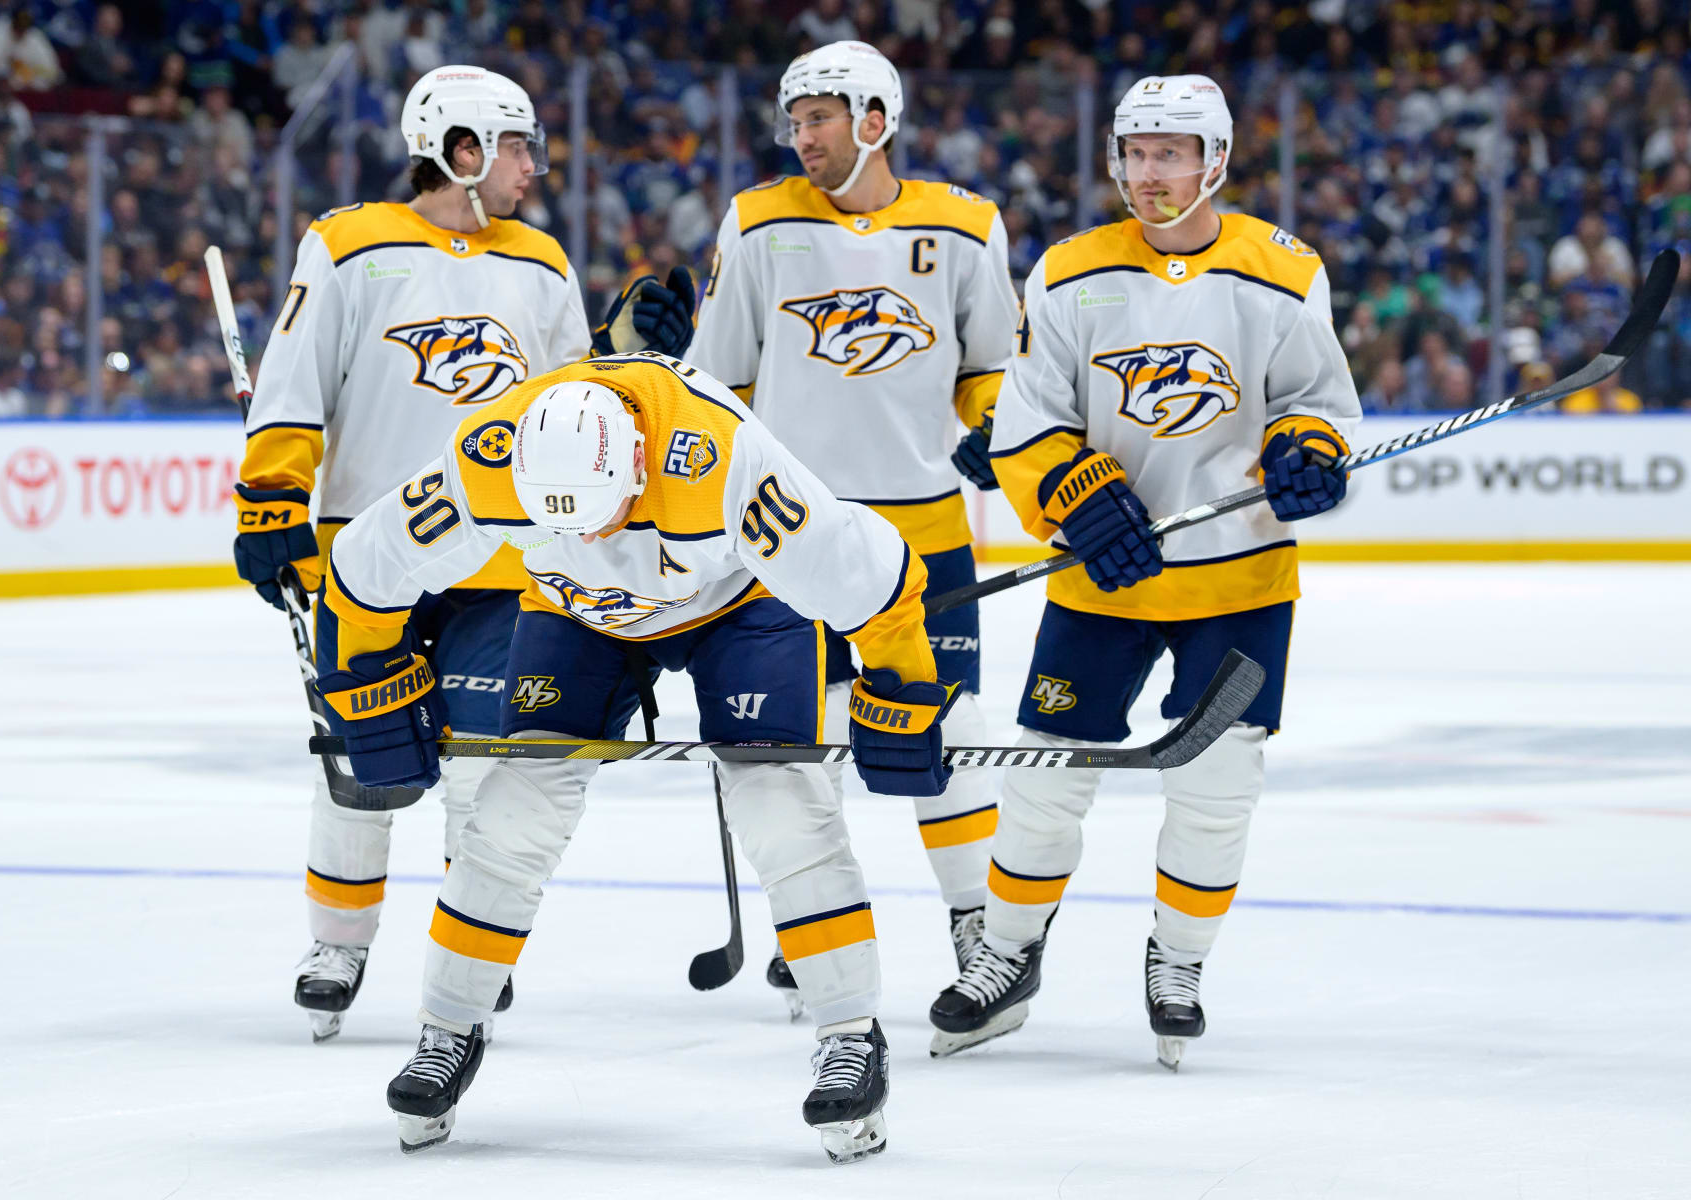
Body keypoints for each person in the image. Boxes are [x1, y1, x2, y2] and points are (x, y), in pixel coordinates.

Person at [315, 353, 954, 1162]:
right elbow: (364, 570)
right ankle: (447, 1027)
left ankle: (850, 1033)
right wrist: (370, 679)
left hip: (739, 604)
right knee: (512, 810)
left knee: (781, 804)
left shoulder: (720, 461)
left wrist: (901, 687)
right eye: (564, 523)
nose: (589, 537)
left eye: (601, 515)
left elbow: (873, 578)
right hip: (577, 612)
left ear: (641, 461)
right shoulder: (488, 456)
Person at [234, 65, 682, 1043]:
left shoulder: (541, 261)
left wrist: (630, 351)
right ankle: (337, 946)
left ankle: (464, 950)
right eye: (516, 146)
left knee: (482, 767)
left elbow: (575, 399)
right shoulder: (348, 244)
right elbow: (296, 380)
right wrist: (271, 498)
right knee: (360, 762)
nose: (532, 167)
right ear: (461, 150)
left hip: (502, 562)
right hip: (367, 557)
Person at [927, 75, 1361, 1069]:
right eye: (1136, 152)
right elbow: (1029, 421)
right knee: (1045, 777)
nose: (1150, 172)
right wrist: (1070, 490)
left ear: (1216, 160)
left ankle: (1181, 962)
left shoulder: (1285, 271)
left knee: (1217, 785)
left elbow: (1317, 402)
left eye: (1172, 152)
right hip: (1101, 580)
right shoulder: (1071, 271)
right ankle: (1007, 953)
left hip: (1239, 583)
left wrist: (1306, 449)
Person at [681, 40, 1021, 1014]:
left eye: (820, 118)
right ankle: (815, 924)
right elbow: (718, 381)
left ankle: (981, 932)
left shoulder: (966, 226)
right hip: (793, 535)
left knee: (946, 727)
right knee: (806, 736)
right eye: (795, 121)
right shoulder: (757, 220)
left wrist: (996, 427)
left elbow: (991, 369)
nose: (803, 137)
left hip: (924, 534)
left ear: (876, 120)